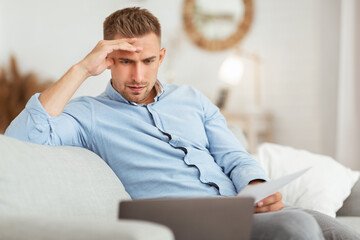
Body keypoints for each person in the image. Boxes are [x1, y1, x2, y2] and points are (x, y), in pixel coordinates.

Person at [5, 7, 359, 240]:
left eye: (146, 60)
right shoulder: (88, 115)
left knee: (335, 230)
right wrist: (82, 68)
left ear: (160, 57)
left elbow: (234, 155)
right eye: (125, 61)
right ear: (108, 60)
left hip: (239, 207)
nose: (138, 75)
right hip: (190, 220)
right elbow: (21, 137)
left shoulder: (190, 98)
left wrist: (257, 185)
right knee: (297, 227)